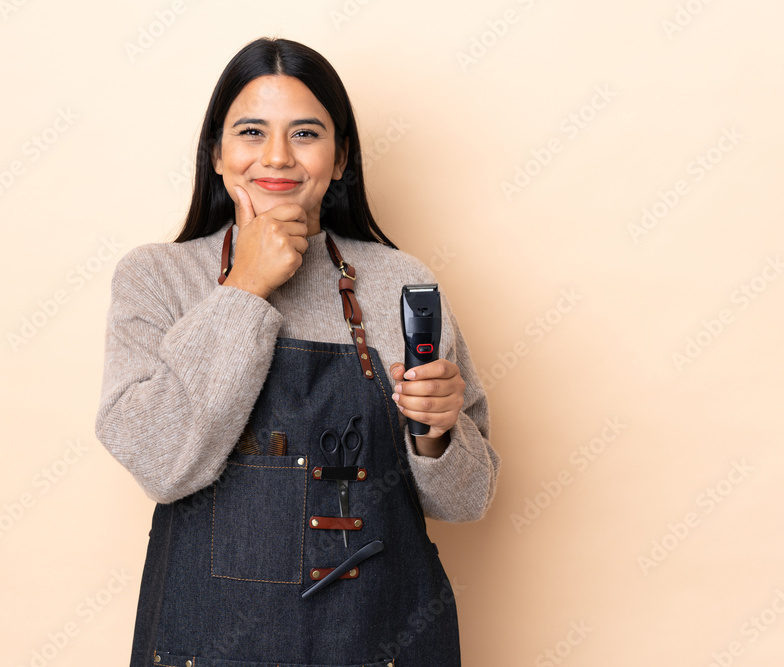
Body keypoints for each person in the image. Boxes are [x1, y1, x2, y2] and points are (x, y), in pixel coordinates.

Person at [95, 36, 500, 666]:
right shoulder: (157, 278)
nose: (277, 157)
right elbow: (160, 462)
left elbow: (467, 499)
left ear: (340, 158)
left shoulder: (398, 282)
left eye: (306, 133)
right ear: (217, 154)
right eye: (251, 132)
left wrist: (436, 434)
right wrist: (247, 285)